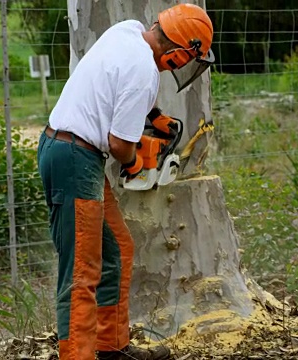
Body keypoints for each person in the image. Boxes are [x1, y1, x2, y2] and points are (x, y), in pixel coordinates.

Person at [36, 4, 214, 360]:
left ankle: (111, 348)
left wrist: (153, 116)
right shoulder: (143, 70)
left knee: (117, 248)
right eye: (187, 59)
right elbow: (120, 145)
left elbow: (114, 82)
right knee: (82, 272)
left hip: (74, 152)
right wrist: (137, 164)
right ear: (180, 52)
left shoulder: (127, 31)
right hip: (75, 157)